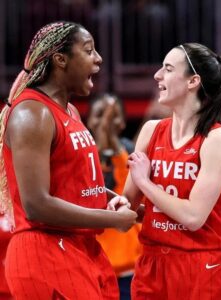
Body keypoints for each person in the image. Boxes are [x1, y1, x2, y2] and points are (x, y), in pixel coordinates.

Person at [0, 21, 137, 299]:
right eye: (88, 51)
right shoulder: (32, 114)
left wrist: (109, 198)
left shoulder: (71, 111)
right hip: (44, 251)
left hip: (80, 246)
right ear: (60, 60)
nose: (98, 58)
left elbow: (76, 183)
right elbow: (36, 204)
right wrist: (110, 219)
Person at [117, 42, 221, 299]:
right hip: (152, 263)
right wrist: (110, 203)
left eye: (168, 69)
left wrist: (145, 183)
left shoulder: (217, 140)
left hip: (201, 266)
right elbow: (127, 210)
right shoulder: (151, 130)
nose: (157, 75)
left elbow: (194, 217)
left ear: (192, 81)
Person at [87, 93, 142, 300]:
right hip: (93, 267)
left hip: (130, 270)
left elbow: (127, 185)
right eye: (99, 115)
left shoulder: (132, 152)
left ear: (123, 122)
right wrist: (101, 141)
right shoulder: (80, 155)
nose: (106, 122)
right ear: (89, 120)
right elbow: (95, 190)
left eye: (112, 116)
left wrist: (108, 140)